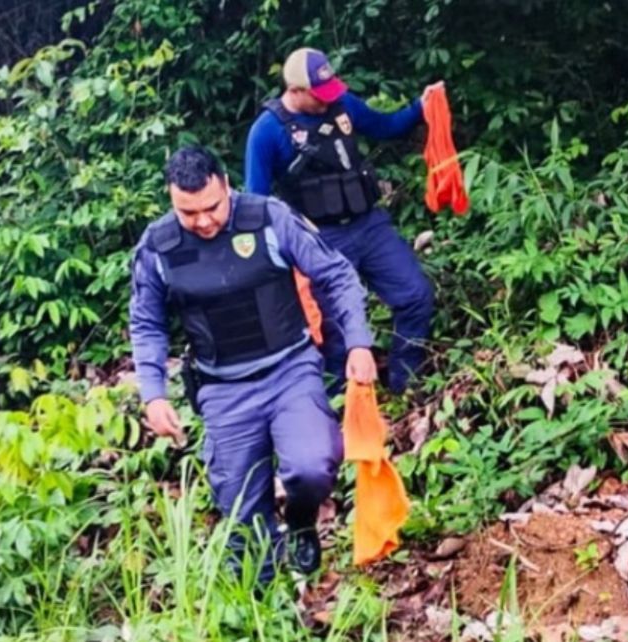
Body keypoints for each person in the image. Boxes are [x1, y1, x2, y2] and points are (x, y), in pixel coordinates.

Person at [129, 146, 377, 584]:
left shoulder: (268, 218)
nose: (203, 222)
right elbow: (147, 322)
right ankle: (263, 601)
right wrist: (153, 394)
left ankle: (300, 521)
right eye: (188, 213)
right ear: (171, 200)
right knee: (240, 507)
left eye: (211, 207)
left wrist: (358, 342)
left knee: (312, 466)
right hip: (222, 387)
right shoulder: (159, 246)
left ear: (226, 185)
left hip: (290, 370)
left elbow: (336, 275)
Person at [244, 47, 443, 395]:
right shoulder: (267, 131)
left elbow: (385, 126)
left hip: (368, 224)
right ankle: (344, 407)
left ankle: (406, 386)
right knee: (335, 332)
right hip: (320, 239)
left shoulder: (342, 104)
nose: (328, 99)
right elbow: (256, 202)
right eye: (319, 95)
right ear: (295, 90)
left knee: (416, 295)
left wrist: (419, 107)